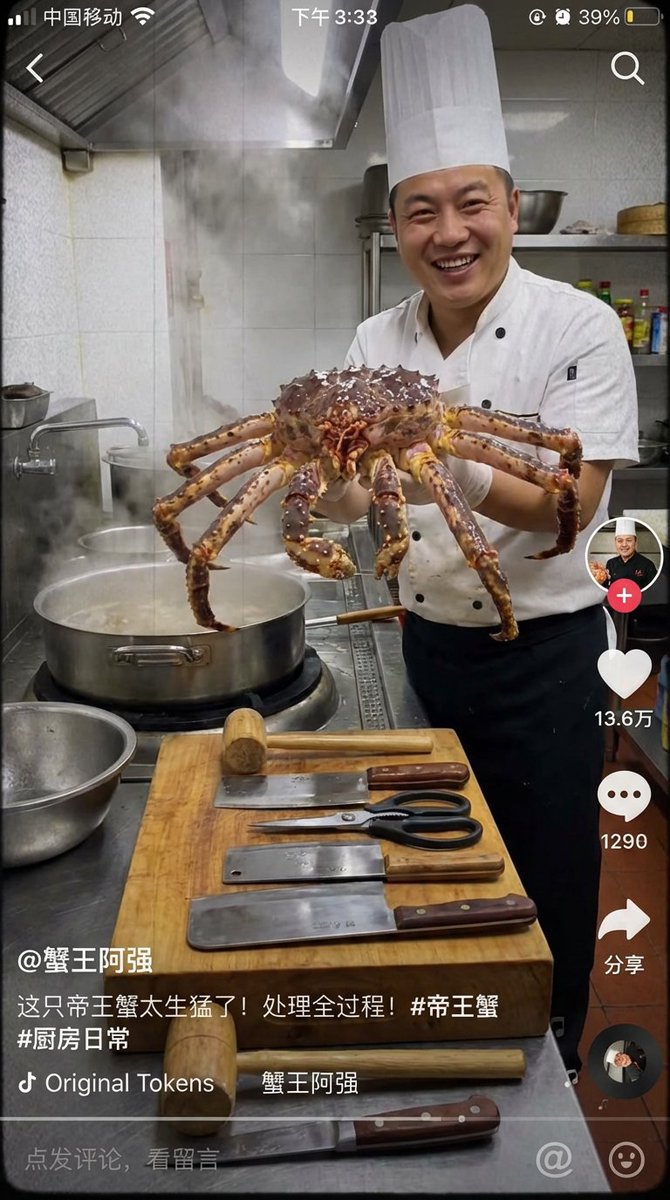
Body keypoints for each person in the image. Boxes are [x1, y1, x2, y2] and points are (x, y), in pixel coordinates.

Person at [316, 5, 638, 1076]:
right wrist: (334, 493)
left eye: (469, 204)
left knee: (552, 869)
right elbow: (366, 492)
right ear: (396, 226)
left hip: (545, 656)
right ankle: (462, 1025)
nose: (447, 232)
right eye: (419, 211)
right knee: (438, 859)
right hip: (428, 645)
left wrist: (439, 453)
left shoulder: (578, 325)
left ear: (509, 205)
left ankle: (551, 1052)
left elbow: (570, 506)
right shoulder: (376, 336)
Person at [604, 518, 658, 588]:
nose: (624, 545)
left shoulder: (647, 565)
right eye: (620, 541)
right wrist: (601, 580)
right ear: (615, 543)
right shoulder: (611, 563)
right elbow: (606, 590)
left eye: (629, 540)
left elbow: (655, 590)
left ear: (635, 542)